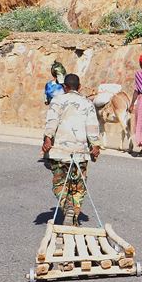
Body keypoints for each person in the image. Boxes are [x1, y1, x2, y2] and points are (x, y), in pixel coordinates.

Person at [41, 73, 101, 226]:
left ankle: (67, 207)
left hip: (60, 152)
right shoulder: (87, 103)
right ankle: (73, 215)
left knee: (60, 184)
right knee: (78, 186)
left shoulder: (57, 101)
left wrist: (48, 138)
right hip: (80, 153)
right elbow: (92, 126)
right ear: (79, 87)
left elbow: (52, 121)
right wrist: (95, 145)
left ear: (64, 87)